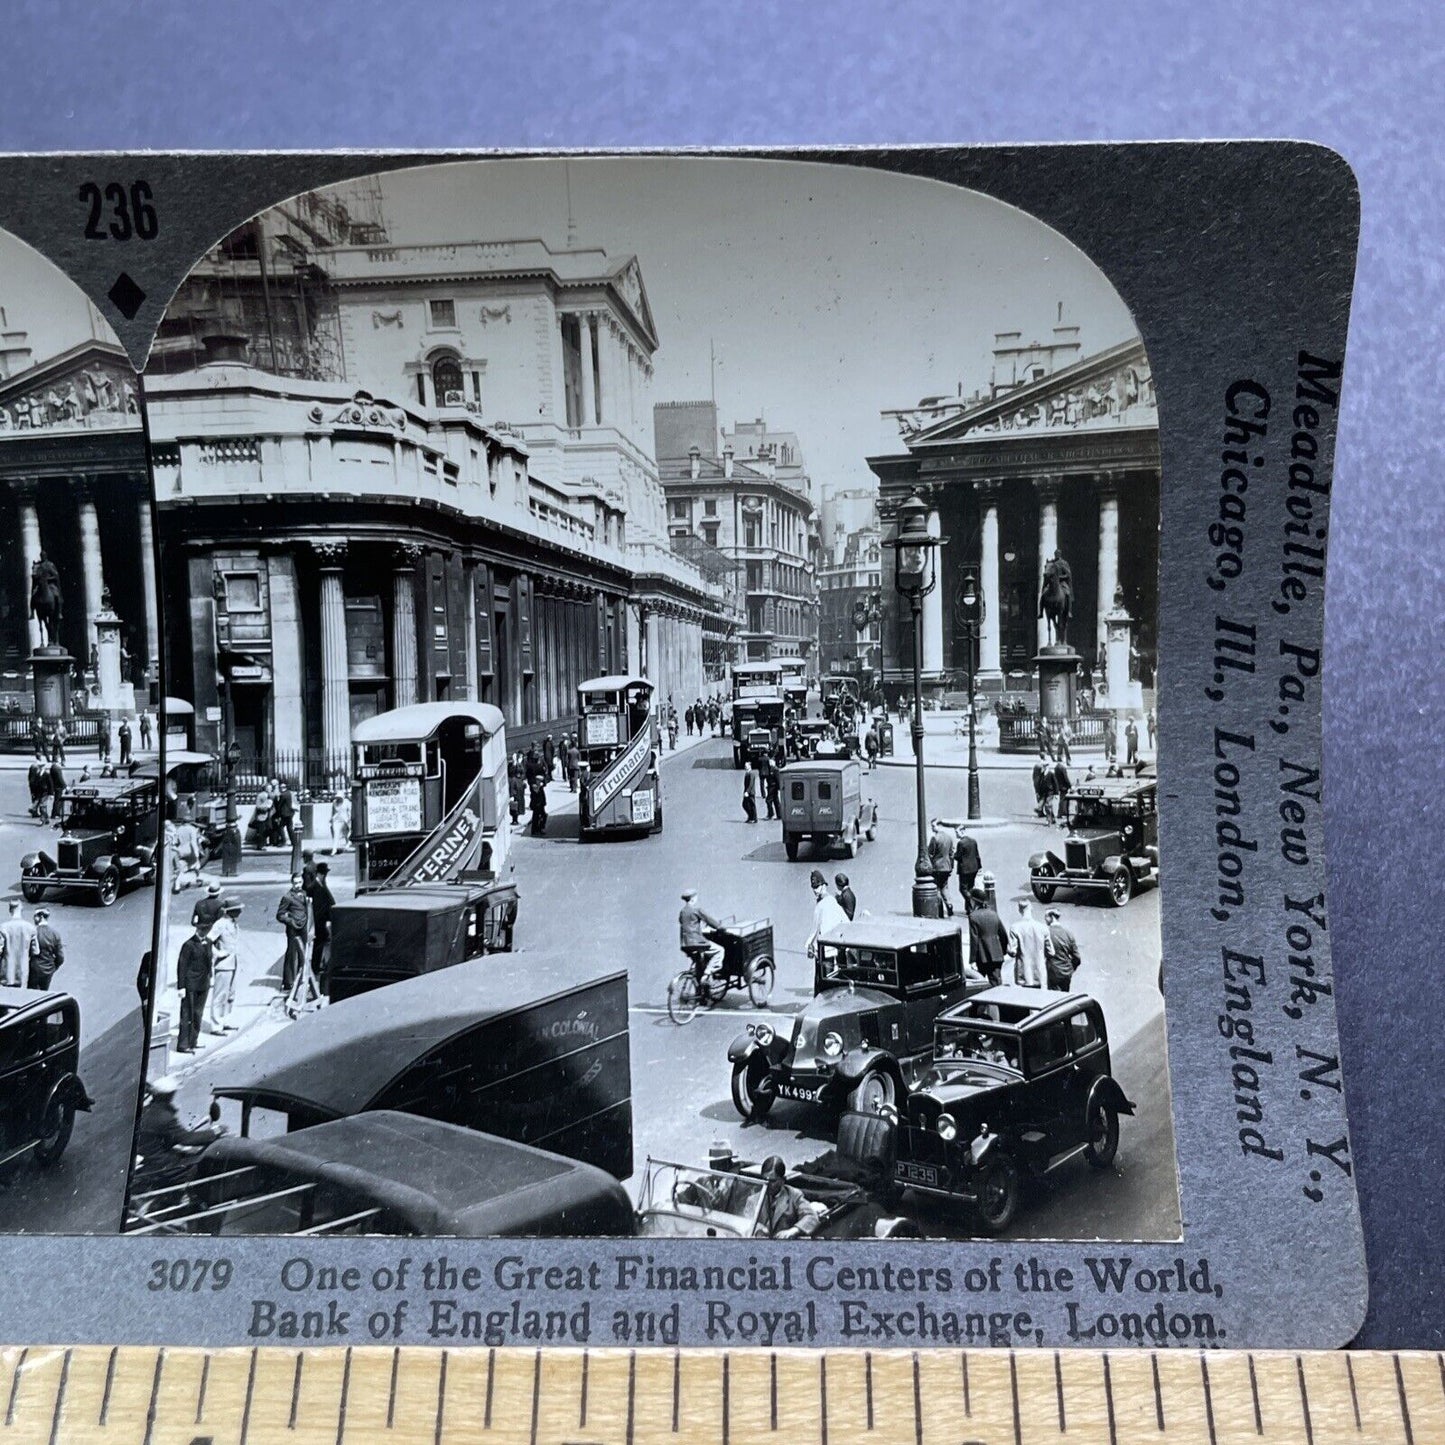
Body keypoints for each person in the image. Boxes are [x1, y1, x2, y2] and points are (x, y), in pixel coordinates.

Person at [753, 1155, 823, 1239]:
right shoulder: (753, 1200)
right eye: (764, 1179)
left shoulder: (794, 1195)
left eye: (772, 1181)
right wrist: (759, 1230)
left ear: (782, 1180)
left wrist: (793, 1230)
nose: (767, 1184)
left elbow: (812, 1217)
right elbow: (746, 1224)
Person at [175, 919, 214, 1053]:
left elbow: (209, 962)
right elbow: (182, 966)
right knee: (187, 1014)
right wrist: (181, 987)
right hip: (190, 984)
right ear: (197, 930)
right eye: (202, 930)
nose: (205, 932)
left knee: (198, 1014)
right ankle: (183, 1044)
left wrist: (211, 978)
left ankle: (193, 1041)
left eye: (207, 930)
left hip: (203, 984)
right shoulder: (188, 945)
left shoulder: (208, 943)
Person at [208, 900, 241, 1032]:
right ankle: (216, 1025)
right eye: (238, 909)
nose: (240, 912)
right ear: (230, 911)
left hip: (234, 963)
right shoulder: (220, 924)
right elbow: (208, 940)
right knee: (220, 995)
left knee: (230, 994)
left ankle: (224, 1020)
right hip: (224, 965)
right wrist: (218, 954)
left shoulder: (233, 923)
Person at [967, 889, 1011, 987]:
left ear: (974, 901)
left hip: (982, 956)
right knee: (996, 983)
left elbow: (974, 939)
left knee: (979, 984)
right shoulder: (993, 914)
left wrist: (973, 960)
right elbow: (1003, 934)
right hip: (996, 954)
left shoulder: (973, 916)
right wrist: (1002, 951)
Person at [679, 887, 722, 984]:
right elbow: (710, 920)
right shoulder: (696, 909)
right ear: (693, 898)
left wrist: (699, 929)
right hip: (697, 943)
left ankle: (701, 992)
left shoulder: (682, 912)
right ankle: (707, 974)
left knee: (699, 963)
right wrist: (719, 927)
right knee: (719, 951)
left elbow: (687, 924)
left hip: (685, 944)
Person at [275, 874, 309, 995]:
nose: (297, 885)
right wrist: (290, 921)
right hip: (293, 929)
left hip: (303, 927)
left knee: (303, 953)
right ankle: (288, 982)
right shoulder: (287, 897)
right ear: (292, 883)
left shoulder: (304, 893)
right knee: (291, 953)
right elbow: (279, 915)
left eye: (299, 882)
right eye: (295, 883)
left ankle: (301, 980)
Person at [1009, 897, 1052, 989]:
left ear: (1019, 910)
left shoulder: (1015, 927)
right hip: (1039, 972)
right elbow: (1051, 952)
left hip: (1024, 972)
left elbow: (1012, 952)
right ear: (1031, 908)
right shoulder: (1043, 927)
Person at [307, 861, 336, 996]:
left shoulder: (320, 885)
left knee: (320, 944)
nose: (326, 876)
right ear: (320, 874)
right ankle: (315, 967)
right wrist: (325, 921)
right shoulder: (316, 887)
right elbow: (319, 908)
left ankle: (316, 966)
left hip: (323, 921)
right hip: (321, 922)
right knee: (319, 944)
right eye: (324, 874)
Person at [807, 871, 849, 962]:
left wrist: (809, 944)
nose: (815, 890)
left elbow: (815, 929)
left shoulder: (824, 904)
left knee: (823, 972)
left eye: (817, 887)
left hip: (824, 946)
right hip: (830, 945)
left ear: (824, 886)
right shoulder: (831, 900)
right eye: (813, 888)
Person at [0, 899, 37, 989]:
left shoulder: (3, 927)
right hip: (22, 972)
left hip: (7, 972)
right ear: (21, 909)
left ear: (10, 910)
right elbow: (35, 951)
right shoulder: (30, 928)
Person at [1044, 908, 1080, 991]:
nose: (1045, 919)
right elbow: (1077, 957)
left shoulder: (1047, 933)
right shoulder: (1068, 933)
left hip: (1053, 972)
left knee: (1055, 998)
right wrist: (1071, 969)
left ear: (1052, 917)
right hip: (1066, 972)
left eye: (1046, 917)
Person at [29, 907, 64, 991]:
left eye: (35, 916)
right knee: (44, 992)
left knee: (32, 993)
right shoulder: (55, 934)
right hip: (48, 970)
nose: (33, 918)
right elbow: (60, 957)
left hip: (34, 969)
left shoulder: (33, 932)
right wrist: (53, 967)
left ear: (40, 917)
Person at [928, 818, 956, 915]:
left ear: (939, 826)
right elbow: (952, 854)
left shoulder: (935, 838)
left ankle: (939, 910)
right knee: (945, 887)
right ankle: (949, 904)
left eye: (933, 826)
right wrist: (951, 866)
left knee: (937, 888)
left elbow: (930, 853)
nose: (932, 828)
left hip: (937, 867)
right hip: (947, 867)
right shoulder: (949, 838)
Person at [954, 828, 982, 909]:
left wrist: (953, 854)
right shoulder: (973, 841)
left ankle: (973, 902)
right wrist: (979, 866)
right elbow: (977, 855)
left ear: (962, 831)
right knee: (970, 888)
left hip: (965, 870)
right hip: (974, 868)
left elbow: (958, 857)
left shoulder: (961, 843)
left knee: (963, 889)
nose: (956, 834)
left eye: (957, 832)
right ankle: (969, 909)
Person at [741, 759, 759, 823]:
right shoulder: (747, 773)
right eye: (745, 766)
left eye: (746, 766)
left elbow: (751, 784)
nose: (745, 767)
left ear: (750, 766)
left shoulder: (751, 773)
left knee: (752, 805)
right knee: (745, 805)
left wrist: (747, 792)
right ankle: (750, 816)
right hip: (747, 792)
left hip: (750, 792)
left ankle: (754, 818)